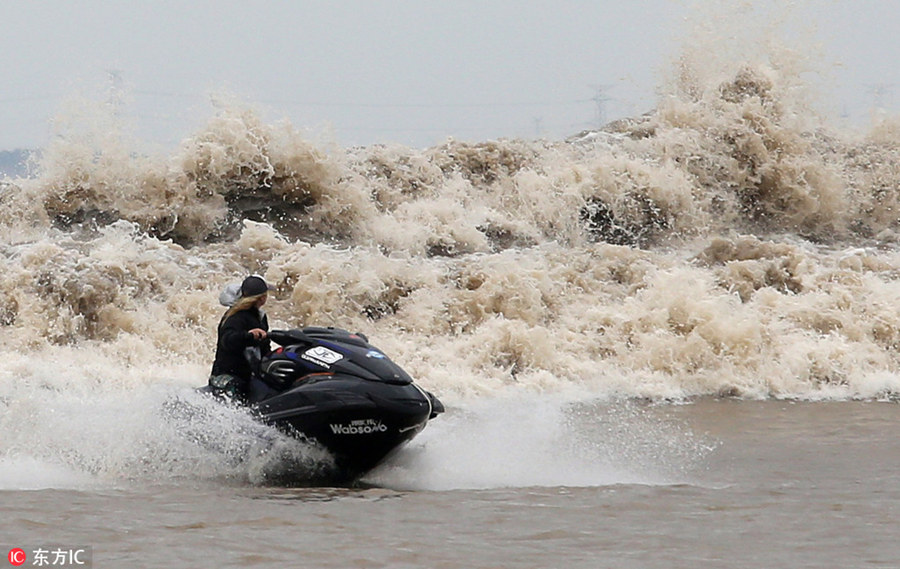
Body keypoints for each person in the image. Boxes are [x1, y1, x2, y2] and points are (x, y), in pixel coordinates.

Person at [208, 275, 274, 402]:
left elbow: (264, 346)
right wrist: (248, 335)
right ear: (262, 298)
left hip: (249, 375)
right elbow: (227, 340)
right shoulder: (235, 317)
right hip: (229, 375)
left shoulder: (260, 317)